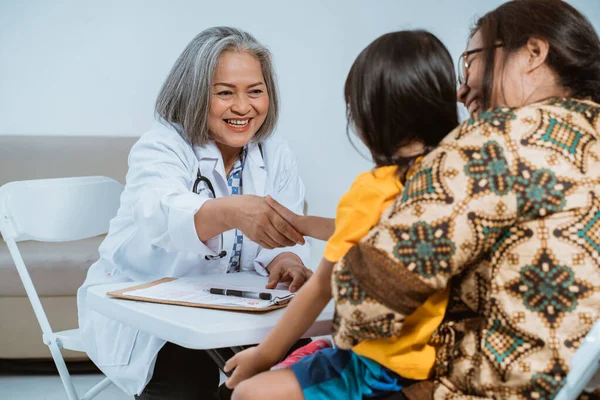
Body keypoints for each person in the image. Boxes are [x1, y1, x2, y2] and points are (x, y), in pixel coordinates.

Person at [306, 0, 600, 399]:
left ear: (533, 53)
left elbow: (366, 297)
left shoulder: (500, 139)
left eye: (471, 61)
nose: (462, 92)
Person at [77, 26, 314, 399]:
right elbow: (162, 214)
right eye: (224, 93)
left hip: (233, 310)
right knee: (187, 384)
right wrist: (231, 211)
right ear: (194, 94)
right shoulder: (161, 147)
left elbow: (286, 226)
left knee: (305, 374)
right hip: (153, 313)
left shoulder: (274, 151)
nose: (242, 107)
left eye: (255, 91)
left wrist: (285, 257)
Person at [224, 29, 460, 400]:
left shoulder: (374, 188)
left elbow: (322, 284)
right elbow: (366, 232)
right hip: (435, 361)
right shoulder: (449, 182)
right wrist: (302, 224)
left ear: (367, 117)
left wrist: (263, 354)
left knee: (247, 393)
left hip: (377, 370)